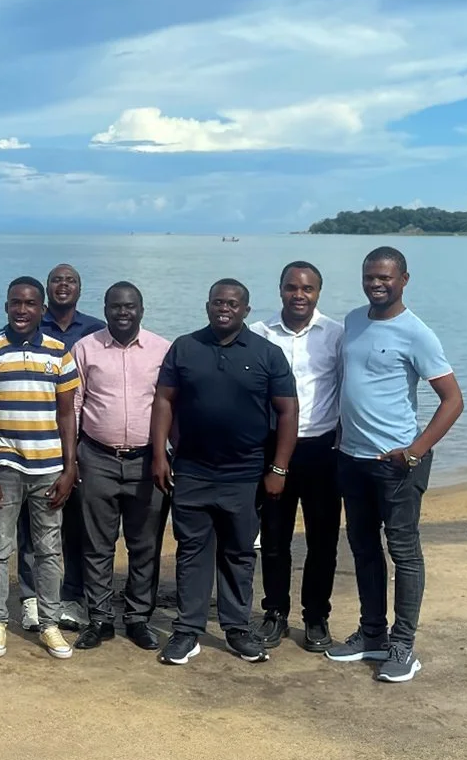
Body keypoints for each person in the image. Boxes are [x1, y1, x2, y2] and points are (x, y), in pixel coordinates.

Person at [326, 247, 464, 683]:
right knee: (364, 549)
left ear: (404, 279)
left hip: (397, 464)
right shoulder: (352, 321)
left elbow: (453, 400)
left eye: (385, 277)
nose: (376, 284)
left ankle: (403, 645)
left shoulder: (416, 333)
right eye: (370, 276)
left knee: (403, 553)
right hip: (352, 459)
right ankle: (372, 634)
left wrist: (415, 450)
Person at [151, 279, 298, 667]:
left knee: (238, 552)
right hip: (193, 470)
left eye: (233, 303)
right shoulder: (185, 347)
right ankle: (187, 630)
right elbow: (164, 402)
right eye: (218, 302)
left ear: (246, 310)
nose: (224, 308)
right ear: (207, 305)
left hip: (245, 473)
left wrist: (279, 468)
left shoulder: (268, 354)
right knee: (192, 551)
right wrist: (158, 455)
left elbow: (288, 412)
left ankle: (236, 629)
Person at [0, 276, 80, 661]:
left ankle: (50, 624)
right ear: (6, 307)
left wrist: (70, 468)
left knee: (49, 549)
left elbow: (67, 415)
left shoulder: (59, 353)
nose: (22, 310)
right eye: (15, 302)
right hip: (5, 464)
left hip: (49, 467)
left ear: (42, 309)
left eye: (30, 304)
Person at [70, 282, 172, 651]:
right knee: (97, 544)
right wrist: (72, 459)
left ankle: (138, 618)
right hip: (97, 457)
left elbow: (171, 404)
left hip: (148, 460)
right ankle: (99, 619)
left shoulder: (162, 350)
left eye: (130, 306)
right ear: (106, 309)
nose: (123, 312)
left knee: (144, 544)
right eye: (115, 306)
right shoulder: (86, 348)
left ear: (141, 309)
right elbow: (75, 406)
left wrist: (169, 454)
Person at [249, 261, 345, 653]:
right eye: (292, 288)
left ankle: (316, 616)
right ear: (281, 290)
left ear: (318, 292)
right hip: (273, 450)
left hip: (322, 449)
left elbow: (349, 388)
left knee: (323, 541)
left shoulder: (336, 335)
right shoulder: (259, 334)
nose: (299, 295)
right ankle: (274, 612)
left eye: (307, 289)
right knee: (274, 539)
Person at [12, 263, 105, 633]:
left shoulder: (95, 330)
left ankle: (71, 596)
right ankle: (32, 599)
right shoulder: (30, 323)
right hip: (31, 440)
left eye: (70, 280)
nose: (63, 285)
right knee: (30, 525)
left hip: (79, 442)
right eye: (56, 280)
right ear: (46, 289)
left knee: (76, 526)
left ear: (80, 289)